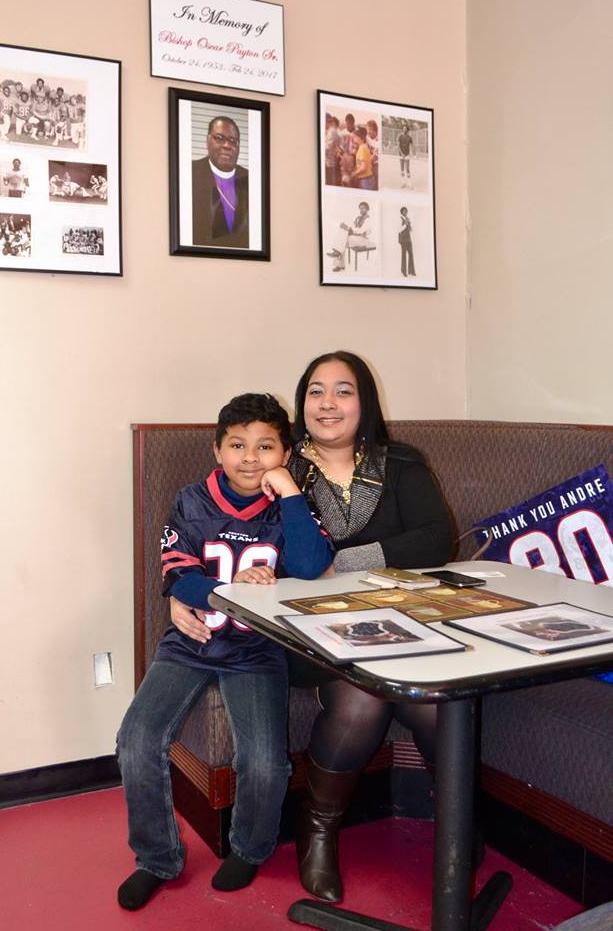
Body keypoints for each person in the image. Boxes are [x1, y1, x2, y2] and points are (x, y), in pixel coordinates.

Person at [116, 393, 334, 911]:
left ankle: (250, 848)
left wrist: (290, 494)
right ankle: (156, 858)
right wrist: (233, 587)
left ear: (285, 452)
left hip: (257, 649)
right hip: (192, 640)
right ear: (218, 450)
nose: (251, 458)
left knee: (263, 762)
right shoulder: (193, 501)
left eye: (266, 447)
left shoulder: (290, 507)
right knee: (136, 741)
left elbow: (309, 566)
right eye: (238, 445)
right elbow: (177, 578)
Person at [287, 351, 453, 902]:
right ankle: (318, 833)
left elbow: (436, 539)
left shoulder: (400, 462)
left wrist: (344, 562)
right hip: (311, 632)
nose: (328, 404)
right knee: (361, 702)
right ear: (302, 401)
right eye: (316, 391)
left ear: (365, 401)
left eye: (343, 390)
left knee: (432, 702)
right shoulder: (280, 465)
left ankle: (455, 826)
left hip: (400, 622)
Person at [192, 116, 249, 248]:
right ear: (207, 141)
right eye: (219, 138)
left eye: (233, 141)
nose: (227, 145)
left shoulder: (251, 179)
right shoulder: (190, 172)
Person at [327, 202, 374, 272]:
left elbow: (361, 231)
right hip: (355, 237)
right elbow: (353, 227)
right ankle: (338, 255)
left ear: (367, 209)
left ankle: (339, 260)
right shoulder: (358, 218)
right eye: (360, 209)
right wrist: (346, 226)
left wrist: (349, 229)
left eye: (363, 208)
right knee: (342, 237)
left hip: (363, 239)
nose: (361, 210)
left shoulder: (369, 219)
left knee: (341, 241)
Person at [399, 206, 416, 277]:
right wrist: (406, 224)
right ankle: (403, 271)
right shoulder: (399, 219)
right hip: (403, 239)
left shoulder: (407, 219)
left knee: (411, 254)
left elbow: (410, 229)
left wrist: (409, 225)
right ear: (401, 212)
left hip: (408, 238)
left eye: (406, 211)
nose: (406, 213)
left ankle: (411, 271)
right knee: (404, 255)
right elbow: (399, 230)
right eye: (404, 211)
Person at [398, 121, 414, 188]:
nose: (404, 129)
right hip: (401, 155)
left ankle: (409, 184)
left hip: (407, 154)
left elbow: (412, 146)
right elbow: (398, 146)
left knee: (407, 168)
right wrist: (402, 154)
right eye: (403, 128)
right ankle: (403, 183)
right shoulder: (400, 136)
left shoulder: (409, 137)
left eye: (405, 128)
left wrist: (412, 153)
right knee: (402, 169)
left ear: (407, 130)